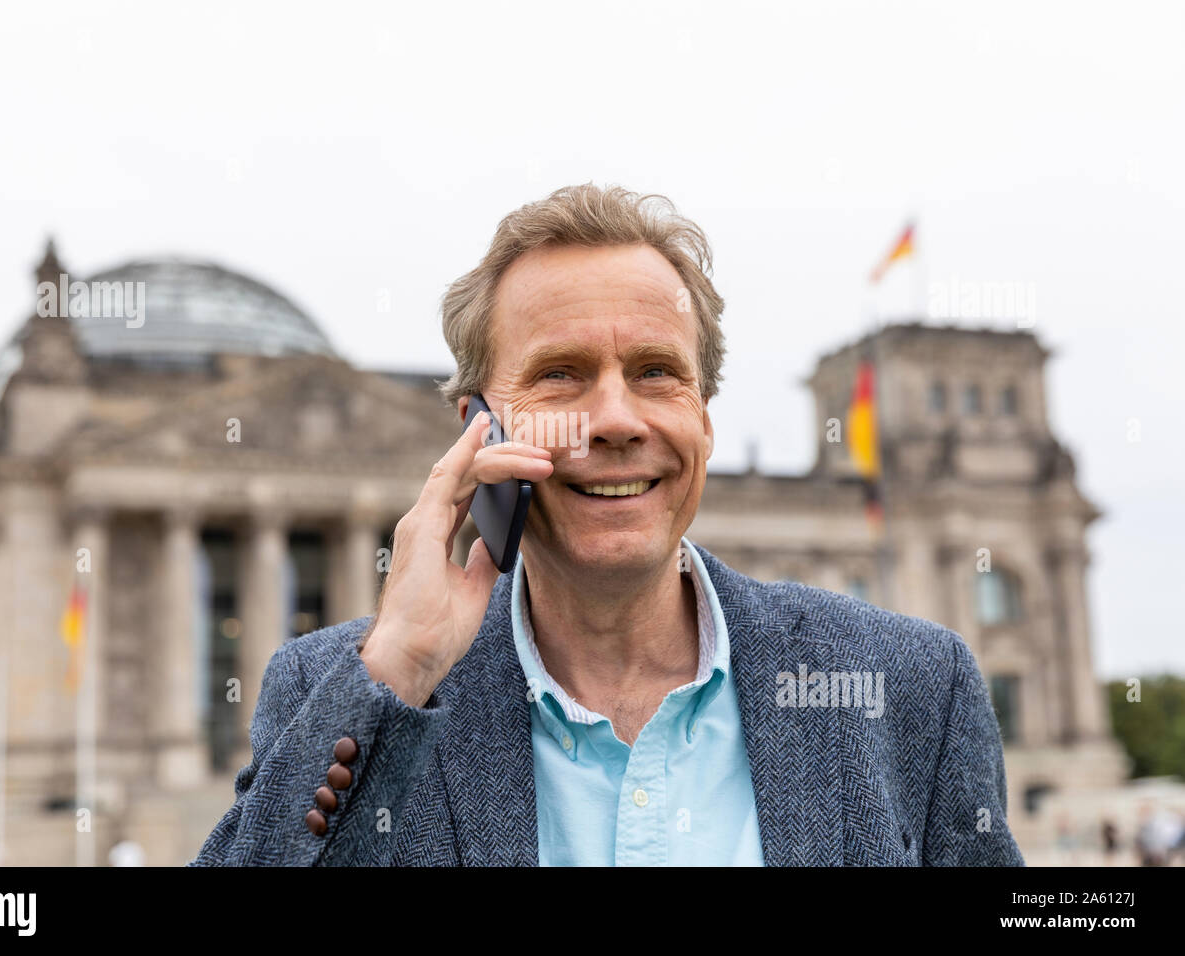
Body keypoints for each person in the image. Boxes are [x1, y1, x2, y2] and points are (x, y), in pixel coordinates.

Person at [191, 183, 1024, 867]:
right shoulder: (339, 692)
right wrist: (401, 667)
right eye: (561, 375)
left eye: (657, 373)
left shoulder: (915, 685)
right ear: (477, 425)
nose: (616, 419)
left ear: (703, 416)